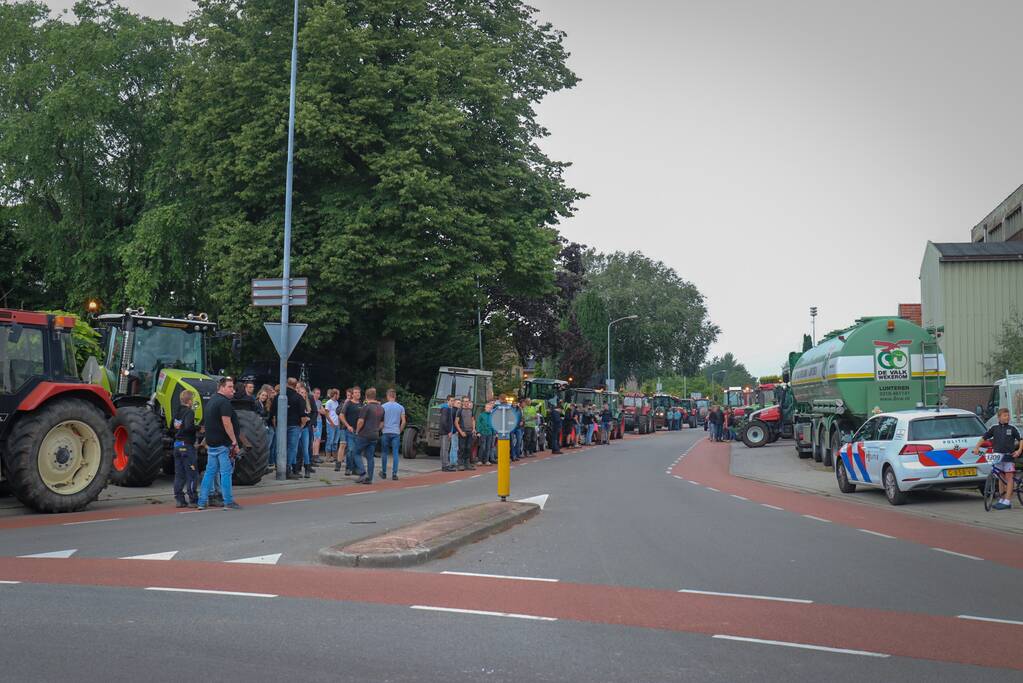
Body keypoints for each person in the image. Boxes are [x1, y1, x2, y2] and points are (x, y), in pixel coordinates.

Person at [198, 377, 241, 510]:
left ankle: (201, 502)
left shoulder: (211, 401)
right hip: (222, 444)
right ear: (221, 387)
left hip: (212, 443)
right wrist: (234, 441)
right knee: (226, 473)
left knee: (210, 472)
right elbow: (227, 423)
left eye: (232, 387)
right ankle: (228, 501)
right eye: (229, 387)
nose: (232, 390)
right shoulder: (224, 403)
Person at [973, 407, 1022, 510]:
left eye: (1008, 415)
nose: (1007, 417)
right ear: (999, 417)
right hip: (997, 457)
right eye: (1005, 415)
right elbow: (984, 438)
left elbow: (1020, 439)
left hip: (1008, 456)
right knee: (1000, 477)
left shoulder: (1012, 428)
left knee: (1009, 478)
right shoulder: (994, 428)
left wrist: (1019, 451)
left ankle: (1007, 501)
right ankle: (1001, 498)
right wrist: (977, 447)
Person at [172, 389, 199, 508]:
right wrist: (198, 428)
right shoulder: (189, 412)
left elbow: (173, 426)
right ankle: (193, 499)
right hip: (187, 445)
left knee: (179, 474)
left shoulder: (177, 412)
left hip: (177, 445)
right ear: (189, 401)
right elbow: (188, 427)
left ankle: (179, 499)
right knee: (192, 473)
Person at [354, 387, 385, 484]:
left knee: (356, 453)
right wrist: (376, 429)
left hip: (364, 434)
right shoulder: (381, 408)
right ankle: (369, 478)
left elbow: (360, 421)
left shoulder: (366, 407)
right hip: (375, 435)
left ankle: (362, 473)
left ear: (366, 396)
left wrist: (357, 431)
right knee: (370, 456)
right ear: (375, 396)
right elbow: (382, 423)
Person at [380, 388, 406, 480]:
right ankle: (394, 474)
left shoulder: (383, 407)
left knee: (384, 453)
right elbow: (403, 422)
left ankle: (383, 473)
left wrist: (381, 429)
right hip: (396, 432)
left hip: (386, 432)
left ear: (387, 396)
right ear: (395, 396)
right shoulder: (400, 407)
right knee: (395, 453)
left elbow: (381, 421)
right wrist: (399, 430)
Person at [340, 386, 364, 477]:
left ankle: (354, 469)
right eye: (356, 393)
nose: (358, 394)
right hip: (350, 430)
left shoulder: (362, 404)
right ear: (352, 394)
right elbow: (341, 415)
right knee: (350, 450)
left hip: (360, 431)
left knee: (356, 451)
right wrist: (347, 425)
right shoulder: (348, 403)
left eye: (359, 393)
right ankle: (348, 468)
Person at [284, 377, 305, 480]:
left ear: (286, 383)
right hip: (294, 425)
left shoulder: (280, 395)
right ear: (296, 385)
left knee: (281, 447)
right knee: (292, 448)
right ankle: (287, 470)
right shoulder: (299, 398)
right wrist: (301, 426)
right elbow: (303, 416)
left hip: (281, 426)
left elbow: (273, 414)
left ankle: (280, 468)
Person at [297, 383, 315, 477]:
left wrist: (307, 421)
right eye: (300, 392)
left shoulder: (307, 404)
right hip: (297, 428)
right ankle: (295, 468)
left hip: (304, 429)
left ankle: (307, 469)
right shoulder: (296, 402)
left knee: (305, 449)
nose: (302, 394)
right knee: (296, 449)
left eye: (304, 392)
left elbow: (308, 417)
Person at [455, 395, 476, 470]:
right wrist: (460, 432)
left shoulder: (471, 410)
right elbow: (456, 422)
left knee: (468, 448)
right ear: (463, 402)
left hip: (470, 432)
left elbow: (473, 420)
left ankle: (467, 464)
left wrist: (473, 429)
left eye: (468, 401)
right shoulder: (459, 410)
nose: (467, 403)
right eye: (465, 401)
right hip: (463, 432)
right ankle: (460, 463)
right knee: (462, 448)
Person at [325, 388, 342, 471]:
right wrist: (331, 422)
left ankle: (334, 456)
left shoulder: (337, 402)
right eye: (338, 394)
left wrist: (338, 422)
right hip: (331, 424)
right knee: (330, 440)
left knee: (335, 441)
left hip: (337, 424)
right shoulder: (329, 402)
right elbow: (326, 413)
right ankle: (328, 456)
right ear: (334, 394)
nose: (338, 396)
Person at [439, 395, 456, 472]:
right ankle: (445, 465)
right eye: (451, 401)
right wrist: (449, 431)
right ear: (447, 401)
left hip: (446, 432)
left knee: (445, 449)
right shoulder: (446, 409)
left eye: (453, 401)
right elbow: (444, 421)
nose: (453, 402)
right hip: (445, 432)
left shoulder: (448, 409)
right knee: (445, 449)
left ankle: (445, 465)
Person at [311, 387, 324, 464]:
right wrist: (318, 410)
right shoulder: (311, 401)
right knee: (315, 438)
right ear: (313, 393)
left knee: (318, 438)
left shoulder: (319, 402)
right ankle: (314, 455)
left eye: (319, 393)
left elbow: (324, 412)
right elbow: (313, 411)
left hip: (319, 421)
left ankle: (317, 455)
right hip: (314, 421)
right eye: (317, 393)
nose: (318, 395)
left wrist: (317, 410)